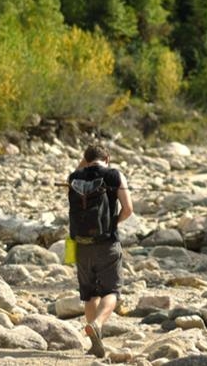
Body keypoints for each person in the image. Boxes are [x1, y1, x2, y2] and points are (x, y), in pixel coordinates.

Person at [67, 144, 132, 358]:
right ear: (108, 158)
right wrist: (113, 223)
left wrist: (83, 162)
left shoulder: (74, 177)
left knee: (89, 295)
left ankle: (96, 344)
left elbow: (78, 169)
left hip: (80, 245)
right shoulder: (114, 175)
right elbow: (128, 209)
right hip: (106, 242)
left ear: (85, 159)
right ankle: (97, 323)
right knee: (111, 291)